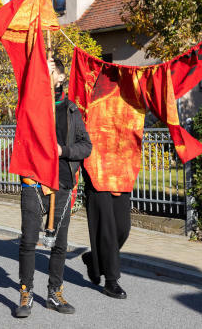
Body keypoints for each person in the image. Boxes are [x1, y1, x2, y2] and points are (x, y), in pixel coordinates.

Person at [15, 58, 92, 318]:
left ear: (61, 77)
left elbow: (86, 146)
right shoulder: (31, 106)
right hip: (34, 182)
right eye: (43, 73)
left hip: (62, 183)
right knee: (28, 240)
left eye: (52, 72)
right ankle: (26, 292)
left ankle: (54, 293)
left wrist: (63, 151)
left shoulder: (71, 110)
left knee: (60, 244)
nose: (48, 77)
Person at [81, 171, 129, 300]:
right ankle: (111, 281)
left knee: (123, 229)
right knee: (106, 231)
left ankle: (93, 257)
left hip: (120, 173)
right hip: (97, 171)